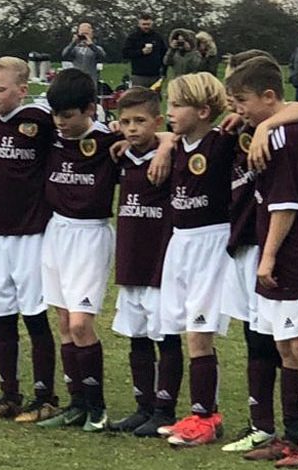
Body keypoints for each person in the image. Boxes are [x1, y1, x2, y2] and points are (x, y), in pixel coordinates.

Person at [228, 56, 298, 468]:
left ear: (269, 97)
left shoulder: (283, 138)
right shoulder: (269, 129)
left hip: (297, 249)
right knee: (284, 345)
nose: (237, 109)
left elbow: (285, 205)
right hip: (281, 248)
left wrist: (267, 257)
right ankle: (293, 436)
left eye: (242, 101)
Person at [0, 57, 60, 423]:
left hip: (31, 233)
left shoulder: (39, 122)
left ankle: (45, 396)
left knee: (34, 315)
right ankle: (9, 393)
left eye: (0, 90)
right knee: (1, 314)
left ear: (22, 91)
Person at [34, 68, 121, 433]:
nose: (60, 123)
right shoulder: (50, 135)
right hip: (56, 231)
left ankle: (97, 407)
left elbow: (154, 137)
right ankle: (76, 404)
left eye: (67, 116)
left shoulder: (108, 142)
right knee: (64, 322)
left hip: (90, 234)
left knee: (82, 322)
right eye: (55, 115)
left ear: (90, 109)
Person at [156, 72, 234, 446]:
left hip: (211, 243)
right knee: (176, 327)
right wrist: (165, 143)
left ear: (204, 111)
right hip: (180, 242)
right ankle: (195, 412)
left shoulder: (221, 142)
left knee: (199, 335)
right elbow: (155, 135)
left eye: (177, 105)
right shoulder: (178, 144)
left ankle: (206, 416)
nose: (169, 112)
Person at [108, 87, 183, 438]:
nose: (132, 128)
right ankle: (143, 405)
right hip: (130, 260)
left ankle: (164, 408)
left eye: (140, 121)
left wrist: (166, 144)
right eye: (125, 122)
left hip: (160, 263)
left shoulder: (170, 155)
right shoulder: (121, 156)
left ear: (157, 120)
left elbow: (177, 135)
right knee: (136, 336)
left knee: (165, 336)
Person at [122, 13, 168, 88]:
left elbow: (164, 55)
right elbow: (125, 53)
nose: (146, 26)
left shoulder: (157, 37)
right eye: (144, 24)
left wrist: (164, 72)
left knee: (154, 98)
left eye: (148, 24)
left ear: (152, 24)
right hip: (139, 76)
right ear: (139, 24)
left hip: (155, 76)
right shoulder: (133, 38)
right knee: (138, 98)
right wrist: (141, 52)